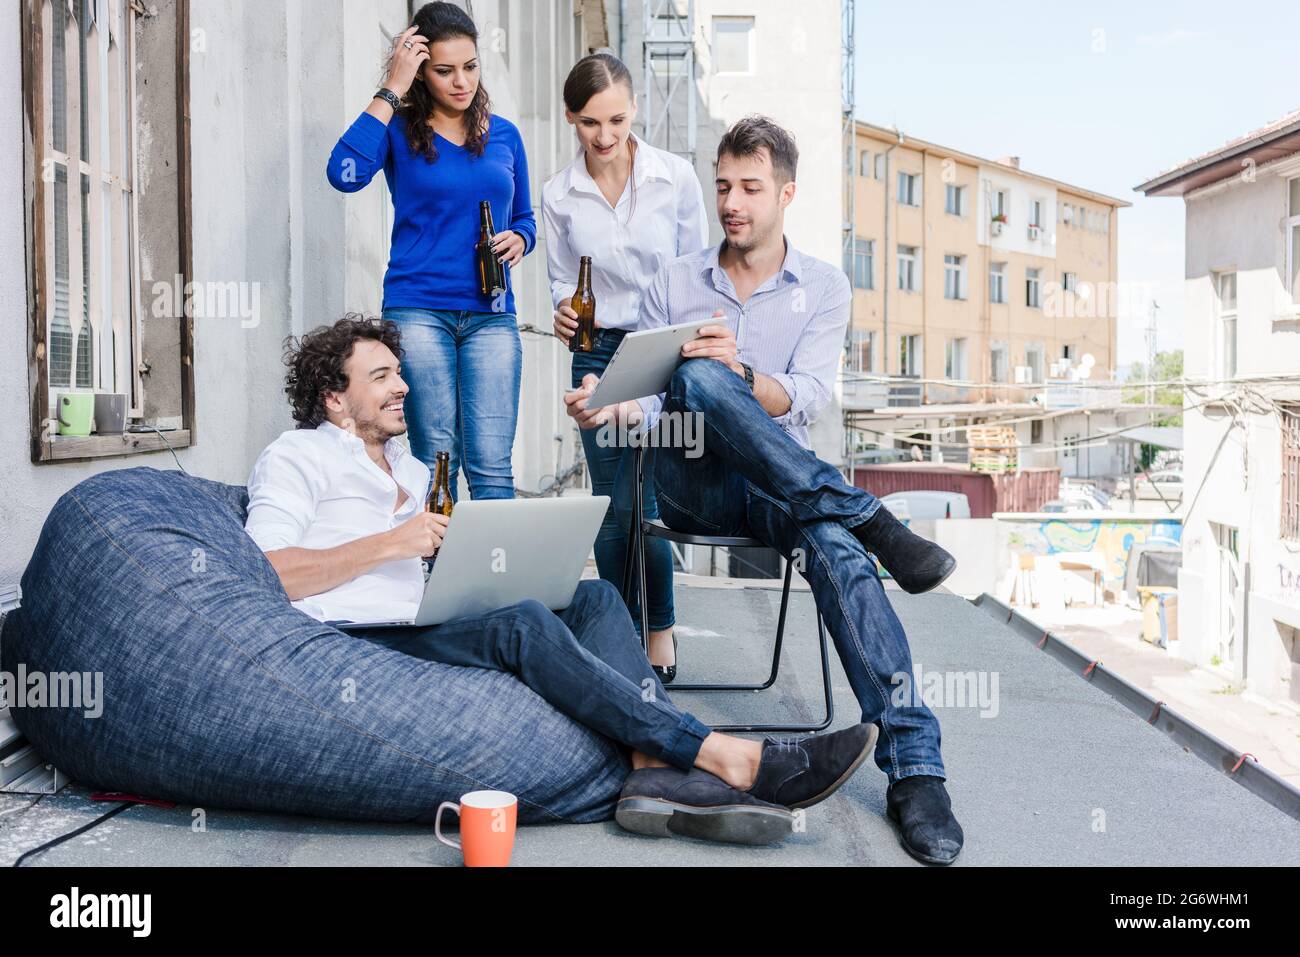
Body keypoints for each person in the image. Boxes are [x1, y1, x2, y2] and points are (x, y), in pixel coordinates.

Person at [243, 313, 877, 846]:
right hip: (365, 638)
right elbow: (268, 572)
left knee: (596, 597)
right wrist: (394, 542)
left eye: (399, 372)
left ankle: (653, 767)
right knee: (523, 624)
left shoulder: (409, 466)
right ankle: (730, 756)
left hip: (430, 615)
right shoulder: (298, 455)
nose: (403, 386)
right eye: (381, 377)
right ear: (334, 398)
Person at [562, 116, 965, 864]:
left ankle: (916, 767)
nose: (731, 202)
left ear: (786, 193)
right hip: (695, 483)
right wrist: (609, 403)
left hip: (783, 489)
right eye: (722, 186)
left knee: (839, 555)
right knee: (691, 374)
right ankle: (863, 510)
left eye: (749, 187)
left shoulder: (822, 287)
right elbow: (650, 403)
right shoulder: (674, 282)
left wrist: (739, 376)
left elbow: (810, 394)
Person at [542, 53, 709, 683]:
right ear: (571, 119)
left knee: (648, 498)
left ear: (633, 109)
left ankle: (660, 632)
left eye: (616, 120)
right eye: (589, 124)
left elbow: (698, 269)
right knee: (611, 501)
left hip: (661, 348)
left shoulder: (675, 177)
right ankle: (619, 634)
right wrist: (561, 308)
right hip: (596, 351)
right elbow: (563, 276)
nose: (605, 137)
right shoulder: (559, 194)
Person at [326, 2, 533, 501]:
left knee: (492, 466)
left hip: (491, 315)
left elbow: (525, 216)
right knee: (437, 457)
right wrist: (391, 90)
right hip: (418, 310)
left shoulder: (503, 135)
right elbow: (343, 173)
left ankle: (493, 578)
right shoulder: (397, 130)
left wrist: (520, 238)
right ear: (421, 73)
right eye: (444, 70)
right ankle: (438, 576)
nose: (461, 81)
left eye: (470, 66)